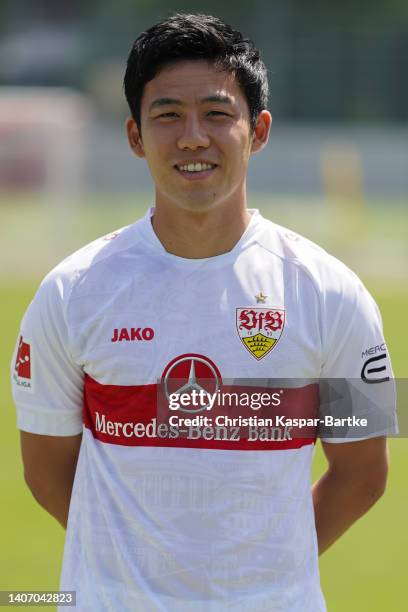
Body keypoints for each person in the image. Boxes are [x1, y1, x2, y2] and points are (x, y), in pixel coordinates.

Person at [11, 13, 396, 612]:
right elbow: (45, 471)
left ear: (259, 130)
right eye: (167, 115)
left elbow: (365, 472)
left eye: (217, 114)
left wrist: (261, 574)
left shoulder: (334, 292)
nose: (193, 137)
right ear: (136, 136)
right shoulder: (70, 291)